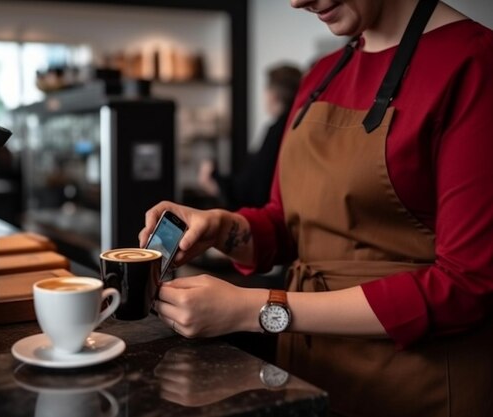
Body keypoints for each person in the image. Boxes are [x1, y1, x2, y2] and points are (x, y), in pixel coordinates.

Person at [138, 1, 493, 416]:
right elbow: (288, 224)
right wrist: (220, 227)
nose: (296, 1)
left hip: (414, 384)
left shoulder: (474, 62)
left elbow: (465, 286)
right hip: (307, 372)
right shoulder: (322, 74)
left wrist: (254, 309)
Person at [198, 64, 302, 210]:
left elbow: (251, 191)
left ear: (273, 95)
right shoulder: (301, 125)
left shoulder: (276, 132)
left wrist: (212, 179)